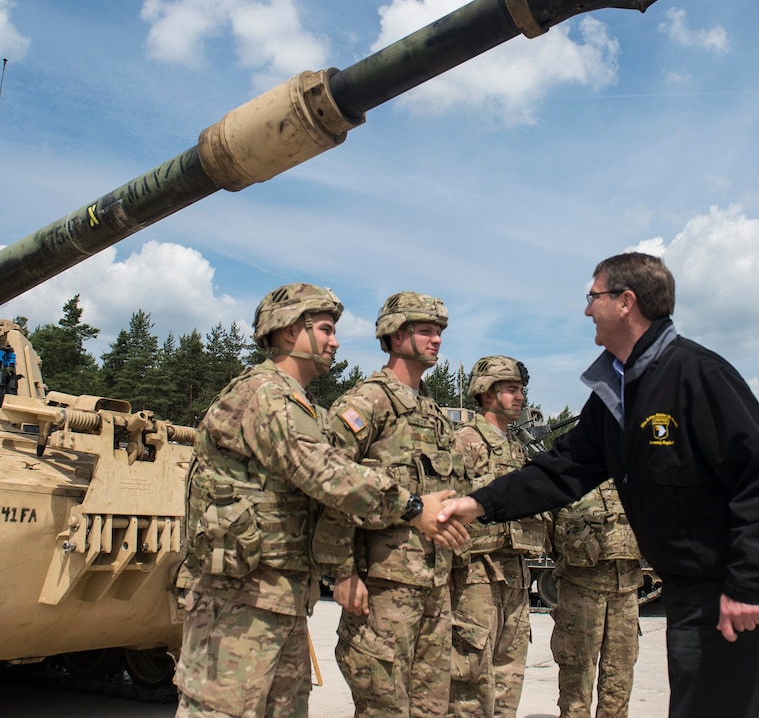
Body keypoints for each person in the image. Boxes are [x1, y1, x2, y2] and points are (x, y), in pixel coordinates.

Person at [436, 252, 759, 718]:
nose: (587, 309)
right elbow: (561, 469)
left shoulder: (698, 375)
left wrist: (748, 582)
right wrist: (478, 504)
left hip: (725, 587)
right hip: (687, 586)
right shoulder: (618, 392)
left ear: (626, 302)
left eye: (594, 297)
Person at [173, 283, 466, 718]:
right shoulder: (265, 395)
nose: (336, 341)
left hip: (279, 594)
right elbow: (326, 473)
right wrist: (412, 507)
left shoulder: (298, 402)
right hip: (237, 598)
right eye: (326, 329)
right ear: (291, 332)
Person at [315, 291, 466, 718]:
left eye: (439, 332)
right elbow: (331, 485)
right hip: (381, 589)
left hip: (433, 588)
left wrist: (453, 567)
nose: (436, 340)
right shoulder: (368, 402)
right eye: (425, 331)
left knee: (431, 708)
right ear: (395, 335)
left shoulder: (433, 414)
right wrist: (341, 572)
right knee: (383, 706)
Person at [449, 356, 548, 718]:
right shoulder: (463, 442)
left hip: (515, 572)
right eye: (511, 389)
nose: (520, 396)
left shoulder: (517, 448)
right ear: (486, 394)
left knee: (510, 670)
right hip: (475, 572)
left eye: (521, 389)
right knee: (470, 672)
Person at [549, 480, 644, 718]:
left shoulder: (632, 475)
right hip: (581, 589)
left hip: (626, 589)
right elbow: (550, 532)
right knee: (577, 674)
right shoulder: (572, 476)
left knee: (620, 674)